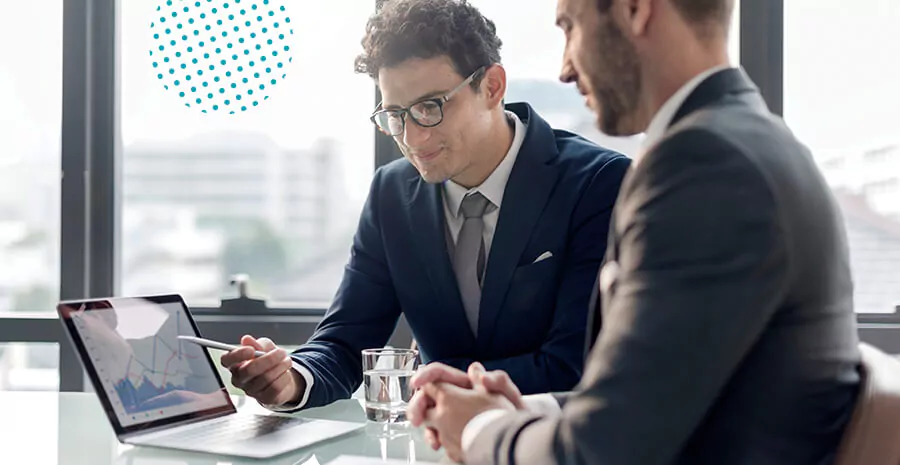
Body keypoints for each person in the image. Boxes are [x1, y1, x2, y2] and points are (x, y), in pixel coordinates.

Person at [408, 0, 862, 463]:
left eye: (570, 27)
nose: (565, 68)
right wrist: (520, 408)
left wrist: (479, 429)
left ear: (635, 9)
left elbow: (605, 451)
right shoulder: (744, 142)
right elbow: (654, 397)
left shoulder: (705, 166)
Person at [219, 0, 629, 412]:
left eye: (430, 108)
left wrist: (432, 385)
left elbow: (575, 367)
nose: (412, 139)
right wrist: (290, 379)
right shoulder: (391, 194)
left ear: (492, 87)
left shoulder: (598, 184)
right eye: (395, 115)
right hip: (432, 446)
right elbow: (345, 341)